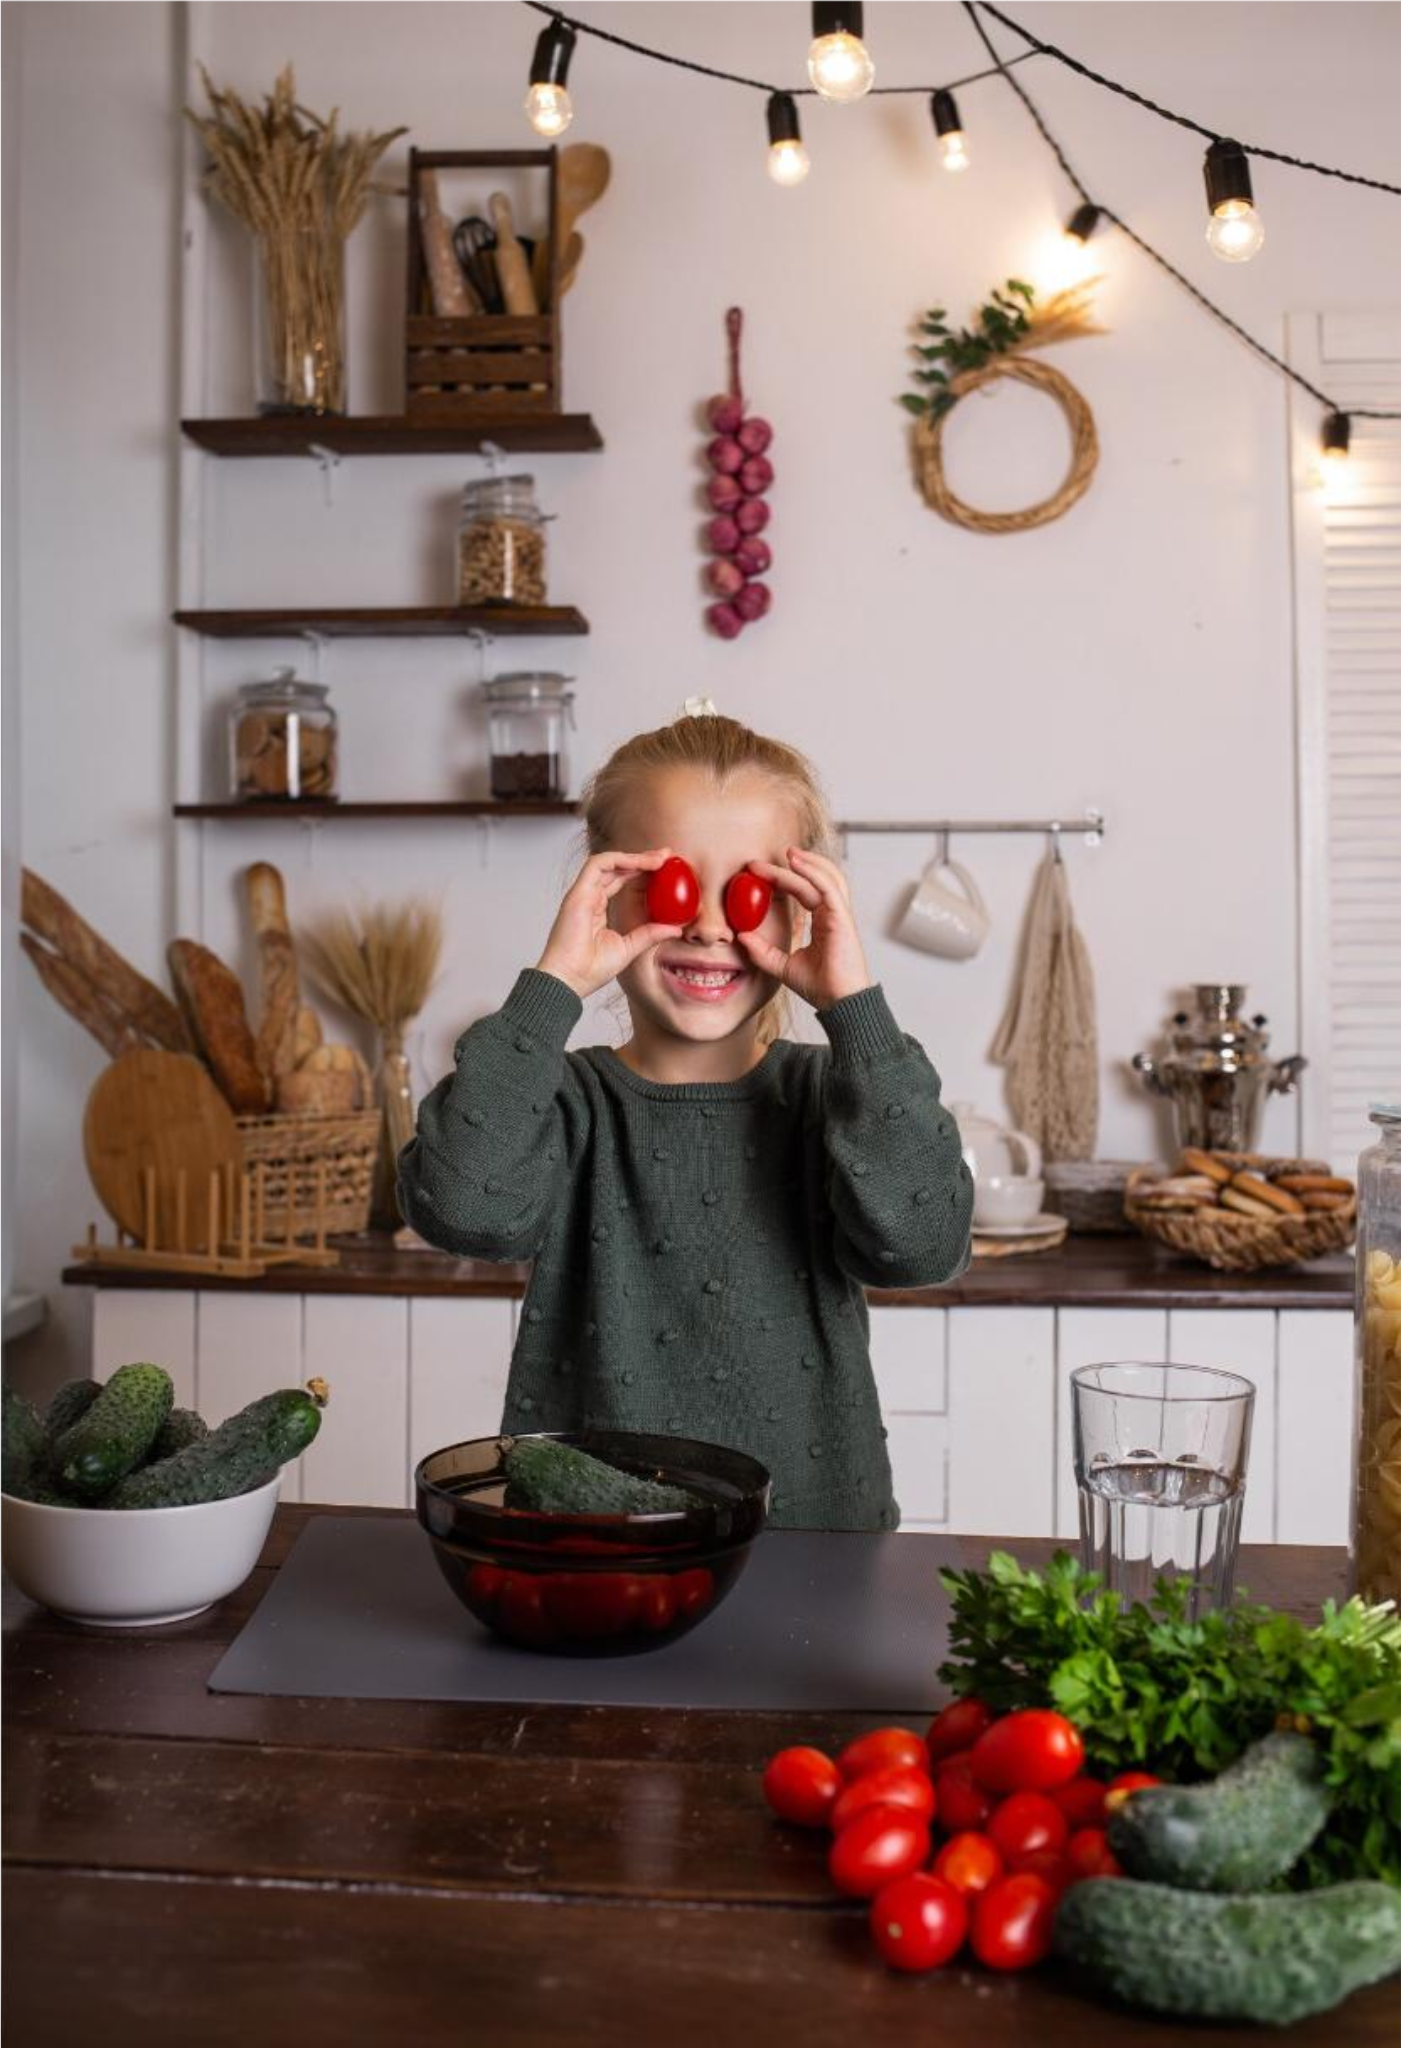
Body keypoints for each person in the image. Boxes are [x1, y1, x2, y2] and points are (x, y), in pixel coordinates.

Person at [398, 707, 973, 1529]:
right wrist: (555, 982)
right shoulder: (565, 1103)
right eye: (669, 886)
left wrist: (854, 1009)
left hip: (816, 1540)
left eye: (747, 892)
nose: (707, 926)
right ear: (602, 895)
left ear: (800, 909)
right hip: (593, 1544)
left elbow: (921, 1246)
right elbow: (462, 1210)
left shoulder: (833, 1094)